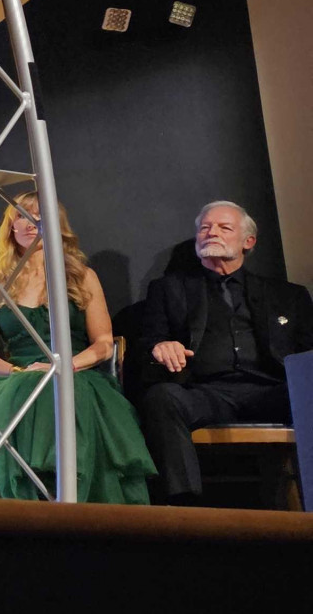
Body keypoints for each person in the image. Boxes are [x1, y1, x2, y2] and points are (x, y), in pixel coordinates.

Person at [0, 195, 156, 503]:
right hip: (16, 379)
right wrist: (23, 371)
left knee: (61, 389)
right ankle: (36, 506)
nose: (32, 225)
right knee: (32, 387)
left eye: (42, 218)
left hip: (77, 372)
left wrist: (62, 366)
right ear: (10, 227)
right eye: (23, 217)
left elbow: (103, 344)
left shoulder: (82, 277)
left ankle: (75, 500)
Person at [129, 201, 313, 502]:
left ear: (248, 241)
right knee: (162, 398)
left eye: (224, 227)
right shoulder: (169, 288)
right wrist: (161, 346)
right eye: (205, 228)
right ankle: (187, 507)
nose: (211, 233)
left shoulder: (288, 295)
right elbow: (149, 340)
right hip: (205, 392)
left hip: (273, 391)